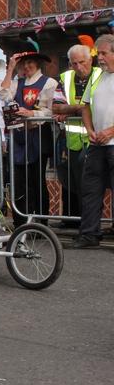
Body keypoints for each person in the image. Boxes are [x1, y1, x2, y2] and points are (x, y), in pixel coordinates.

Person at [0, 44, 57, 225]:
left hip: (38, 135)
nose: (26, 66)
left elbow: (50, 110)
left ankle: (40, 221)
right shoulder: (17, 82)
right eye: (24, 63)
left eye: (30, 62)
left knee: (36, 180)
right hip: (19, 137)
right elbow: (4, 95)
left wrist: (32, 114)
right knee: (19, 180)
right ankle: (20, 221)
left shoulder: (49, 83)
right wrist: (10, 69)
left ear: (38, 63)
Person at [53, 44, 101, 220]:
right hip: (73, 142)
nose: (79, 67)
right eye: (74, 63)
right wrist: (81, 108)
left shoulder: (102, 75)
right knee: (78, 186)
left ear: (91, 60)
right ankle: (85, 226)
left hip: (99, 140)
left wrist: (71, 109)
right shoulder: (65, 78)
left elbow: (101, 107)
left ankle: (96, 225)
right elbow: (56, 107)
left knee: (94, 186)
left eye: (82, 62)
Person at [74, 35, 114, 248]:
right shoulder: (97, 76)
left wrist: (111, 130)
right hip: (98, 143)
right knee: (91, 189)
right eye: (98, 54)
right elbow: (85, 106)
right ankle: (89, 234)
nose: (100, 58)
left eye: (104, 54)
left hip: (112, 141)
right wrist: (90, 129)